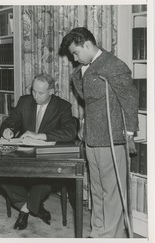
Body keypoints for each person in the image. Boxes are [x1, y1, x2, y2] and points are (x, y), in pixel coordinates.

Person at [59, 27, 138, 238]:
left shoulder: (113, 65)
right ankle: (98, 231)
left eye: (76, 53)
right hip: (92, 136)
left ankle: (109, 236)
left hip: (112, 137)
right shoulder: (85, 68)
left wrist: (129, 134)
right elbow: (90, 100)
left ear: (87, 44)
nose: (74, 59)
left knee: (112, 191)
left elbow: (129, 99)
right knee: (97, 189)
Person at [0, 73, 77, 230]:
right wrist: (8, 129)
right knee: (1, 173)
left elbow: (70, 132)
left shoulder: (63, 106)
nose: (35, 96)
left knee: (43, 179)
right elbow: (11, 120)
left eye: (40, 93)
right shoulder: (24, 101)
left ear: (51, 91)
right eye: (33, 91)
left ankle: (25, 211)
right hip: (23, 154)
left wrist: (40, 136)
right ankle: (36, 208)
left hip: (47, 158)